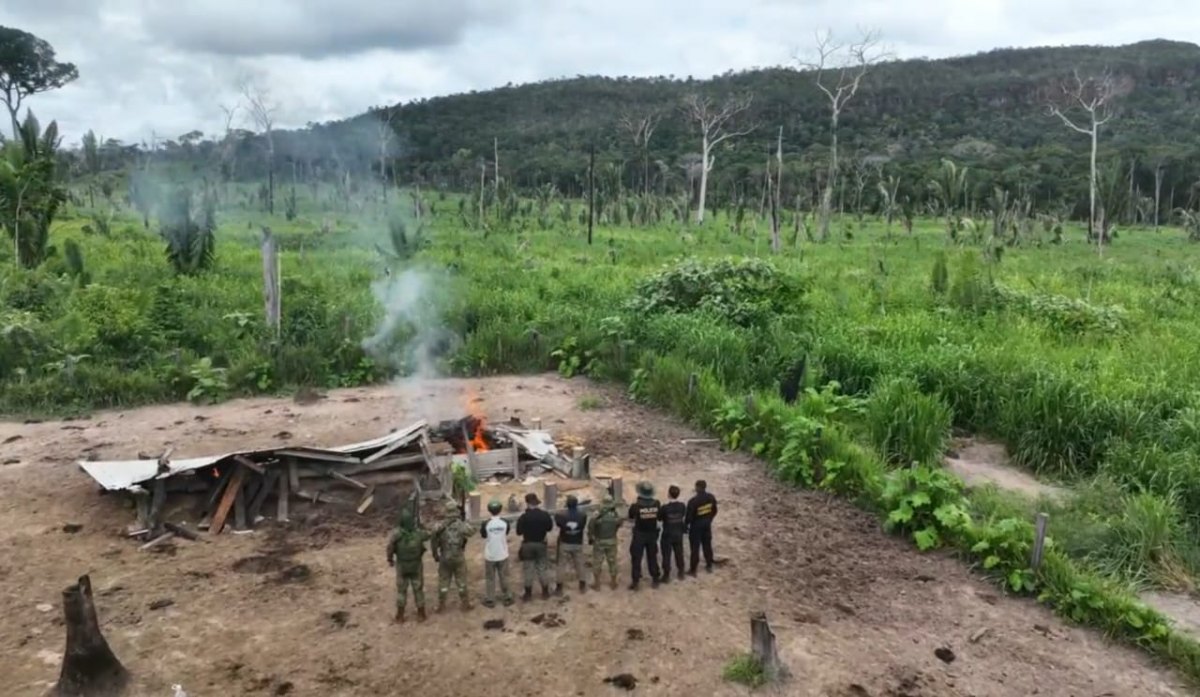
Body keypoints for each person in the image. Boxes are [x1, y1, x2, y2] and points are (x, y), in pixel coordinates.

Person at [386, 509, 430, 623]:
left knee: (401, 590)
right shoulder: (418, 533)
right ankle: (421, 614)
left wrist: (390, 559)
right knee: (418, 589)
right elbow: (429, 534)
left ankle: (400, 616)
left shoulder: (396, 534)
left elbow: (389, 547)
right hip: (416, 564)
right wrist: (422, 525)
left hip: (402, 565)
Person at [431, 499, 473, 612]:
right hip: (458, 556)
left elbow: (433, 538)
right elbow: (471, 532)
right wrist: (464, 521)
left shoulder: (440, 525)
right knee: (462, 581)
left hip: (445, 556)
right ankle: (465, 604)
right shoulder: (460, 525)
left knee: (444, 581)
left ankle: (441, 605)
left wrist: (435, 555)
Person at [515, 492, 555, 601]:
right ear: (537, 503)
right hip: (541, 544)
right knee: (542, 568)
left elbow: (518, 532)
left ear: (527, 503)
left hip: (527, 544)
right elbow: (549, 528)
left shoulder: (523, 517)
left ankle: (528, 594)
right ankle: (545, 592)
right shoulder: (545, 515)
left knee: (528, 569)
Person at [627, 481, 662, 590]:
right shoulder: (657, 504)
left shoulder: (636, 506)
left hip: (639, 534)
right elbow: (659, 516)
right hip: (652, 534)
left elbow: (630, 516)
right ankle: (655, 578)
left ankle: (636, 581)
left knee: (636, 558)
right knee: (652, 557)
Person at [479, 498, 514, 607]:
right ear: (500, 509)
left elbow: (484, 535)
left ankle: (490, 599)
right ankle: (507, 597)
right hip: (502, 553)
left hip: (490, 554)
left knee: (490, 578)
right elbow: (506, 533)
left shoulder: (486, 523)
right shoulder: (505, 522)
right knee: (504, 576)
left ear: (489, 510)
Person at [554, 494, 589, 594]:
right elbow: (582, 526)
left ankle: (559, 587)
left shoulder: (561, 515)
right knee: (579, 564)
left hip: (565, 541)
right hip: (577, 542)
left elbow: (558, 523)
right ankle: (582, 584)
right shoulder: (583, 515)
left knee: (561, 565)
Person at [588, 494, 622, 590]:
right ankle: (613, 583)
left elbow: (591, 525)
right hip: (611, 540)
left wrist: (591, 536)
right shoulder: (615, 514)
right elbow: (619, 523)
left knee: (597, 562)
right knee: (612, 562)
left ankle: (597, 584)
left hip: (599, 541)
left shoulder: (597, 514)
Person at [685, 479, 718, 575]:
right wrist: (709, 519)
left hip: (696, 527)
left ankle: (693, 569)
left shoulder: (693, 501)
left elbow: (689, 517)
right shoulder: (711, 497)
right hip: (707, 525)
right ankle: (709, 564)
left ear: (697, 488)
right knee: (707, 545)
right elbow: (715, 510)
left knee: (695, 548)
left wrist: (686, 525)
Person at [658, 485, 687, 583]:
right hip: (678, 533)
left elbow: (659, 518)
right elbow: (683, 515)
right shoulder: (682, 506)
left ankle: (666, 575)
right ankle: (681, 571)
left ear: (669, 494)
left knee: (666, 555)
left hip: (667, 534)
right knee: (679, 553)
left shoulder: (664, 508)